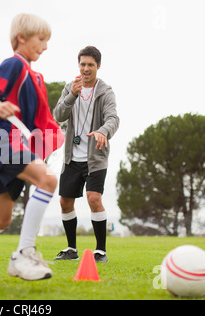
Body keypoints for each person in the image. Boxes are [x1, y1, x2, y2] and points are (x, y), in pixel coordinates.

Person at [0, 13, 64, 280]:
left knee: (0, 219)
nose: (45, 46)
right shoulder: (15, 64)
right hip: (3, 140)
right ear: (21, 38)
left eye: (47, 40)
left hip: (14, 143)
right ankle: (24, 253)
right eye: (41, 39)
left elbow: (43, 123)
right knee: (47, 179)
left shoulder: (35, 78)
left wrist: (67, 138)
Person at [52, 46, 119, 263]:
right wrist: (72, 95)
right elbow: (58, 115)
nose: (86, 68)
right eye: (82, 64)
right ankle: (71, 249)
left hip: (95, 157)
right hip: (72, 156)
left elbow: (113, 119)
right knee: (64, 202)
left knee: (94, 198)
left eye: (90, 64)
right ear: (78, 65)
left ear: (98, 66)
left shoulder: (105, 92)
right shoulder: (70, 88)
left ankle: (101, 251)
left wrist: (102, 131)